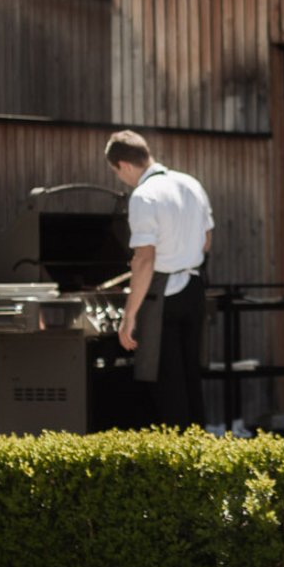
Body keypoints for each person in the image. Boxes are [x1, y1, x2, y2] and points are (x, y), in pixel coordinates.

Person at [106, 129, 216, 429]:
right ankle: (200, 455)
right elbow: (206, 241)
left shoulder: (144, 196)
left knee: (167, 378)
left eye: (117, 173)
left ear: (124, 165)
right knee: (191, 373)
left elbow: (144, 259)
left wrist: (129, 315)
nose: (122, 179)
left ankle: (177, 461)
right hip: (194, 287)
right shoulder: (190, 183)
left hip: (163, 293)